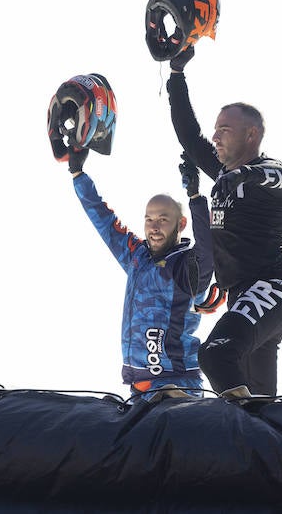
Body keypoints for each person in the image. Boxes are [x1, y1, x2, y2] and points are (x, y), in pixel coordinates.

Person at [166, 45, 282, 400]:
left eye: (224, 129)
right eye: (216, 129)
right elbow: (190, 136)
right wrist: (176, 75)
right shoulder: (223, 173)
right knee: (261, 399)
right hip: (243, 296)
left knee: (214, 353)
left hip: (270, 288)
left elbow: (281, 176)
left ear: (251, 135)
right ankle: (261, 445)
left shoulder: (266, 173)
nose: (216, 137)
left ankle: (247, 427)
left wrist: (245, 178)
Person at [67, 148, 215, 400]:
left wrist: (195, 197)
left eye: (163, 220)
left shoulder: (185, 265)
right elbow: (104, 219)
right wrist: (78, 174)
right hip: (139, 388)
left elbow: (208, 249)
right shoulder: (137, 257)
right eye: (149, 219)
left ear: (180, 224)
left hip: (176, 384)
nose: (154, 227)